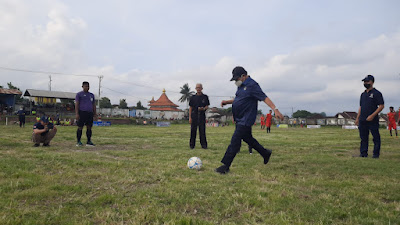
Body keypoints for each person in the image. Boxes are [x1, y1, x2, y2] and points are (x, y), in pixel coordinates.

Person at [215, 66, 283, 174]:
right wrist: (227, 102)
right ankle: (265, 153)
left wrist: (275, 109)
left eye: (236, 79)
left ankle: (225, 166)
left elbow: (264, 97)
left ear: (243, 76)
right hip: (239, 118)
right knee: (248, 139)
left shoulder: (252, 85)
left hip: (246, 119)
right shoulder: (241, 86)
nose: (236, 81)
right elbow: (239, 100)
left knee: (235, 141)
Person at [355, 75, 384, 158]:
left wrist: (372, 115)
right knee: (363, 137)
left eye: (367, 81)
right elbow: (361, 107)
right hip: (363, 119)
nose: (365, 83)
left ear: (372, 82)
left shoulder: (377, 93)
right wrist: (357, 118)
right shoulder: (363, 94)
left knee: (375, 137)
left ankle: (376, 154)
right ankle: (363, 153)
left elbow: (381, 106)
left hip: (372, 120)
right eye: (364, 82)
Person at [75, 81, 97, 146]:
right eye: (85, 86)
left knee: (89, 127)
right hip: (82, 112)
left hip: (89, 113)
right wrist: (77, 113)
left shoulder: (91, 95)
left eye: (88, 86)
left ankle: (89, 141)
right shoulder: (79, 94)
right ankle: (78, 141)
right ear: (82, 87)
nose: (87, 87)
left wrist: (95, 113)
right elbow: (77, 104)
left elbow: (93, 105)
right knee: (80, 127)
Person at [189, 83, 210, 149]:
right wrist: (190, 117)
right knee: (193, 131)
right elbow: (190, 107)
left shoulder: (205, 97)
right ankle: (192, 145)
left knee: (202, 131)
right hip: (194, 115)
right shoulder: (193, 97)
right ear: (195, 89)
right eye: (197, 88)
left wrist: (203, 108)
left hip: (202, 115)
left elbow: (207, 106)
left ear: (202, 88)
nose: (198, 89)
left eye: (199, 88)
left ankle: (204, 145)